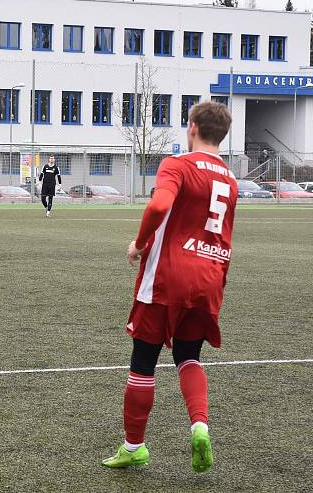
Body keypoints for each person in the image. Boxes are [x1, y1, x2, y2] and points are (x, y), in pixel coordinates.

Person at [102, 102, 237, 473]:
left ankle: (134, 446)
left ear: (192, 127)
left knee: (144, 361)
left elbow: (160, 204)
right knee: (189, 356)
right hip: (210, 278)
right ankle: (199, 426)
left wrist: (140, 243)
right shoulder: (230, 179)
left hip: (169, 277)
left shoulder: (178, 165)